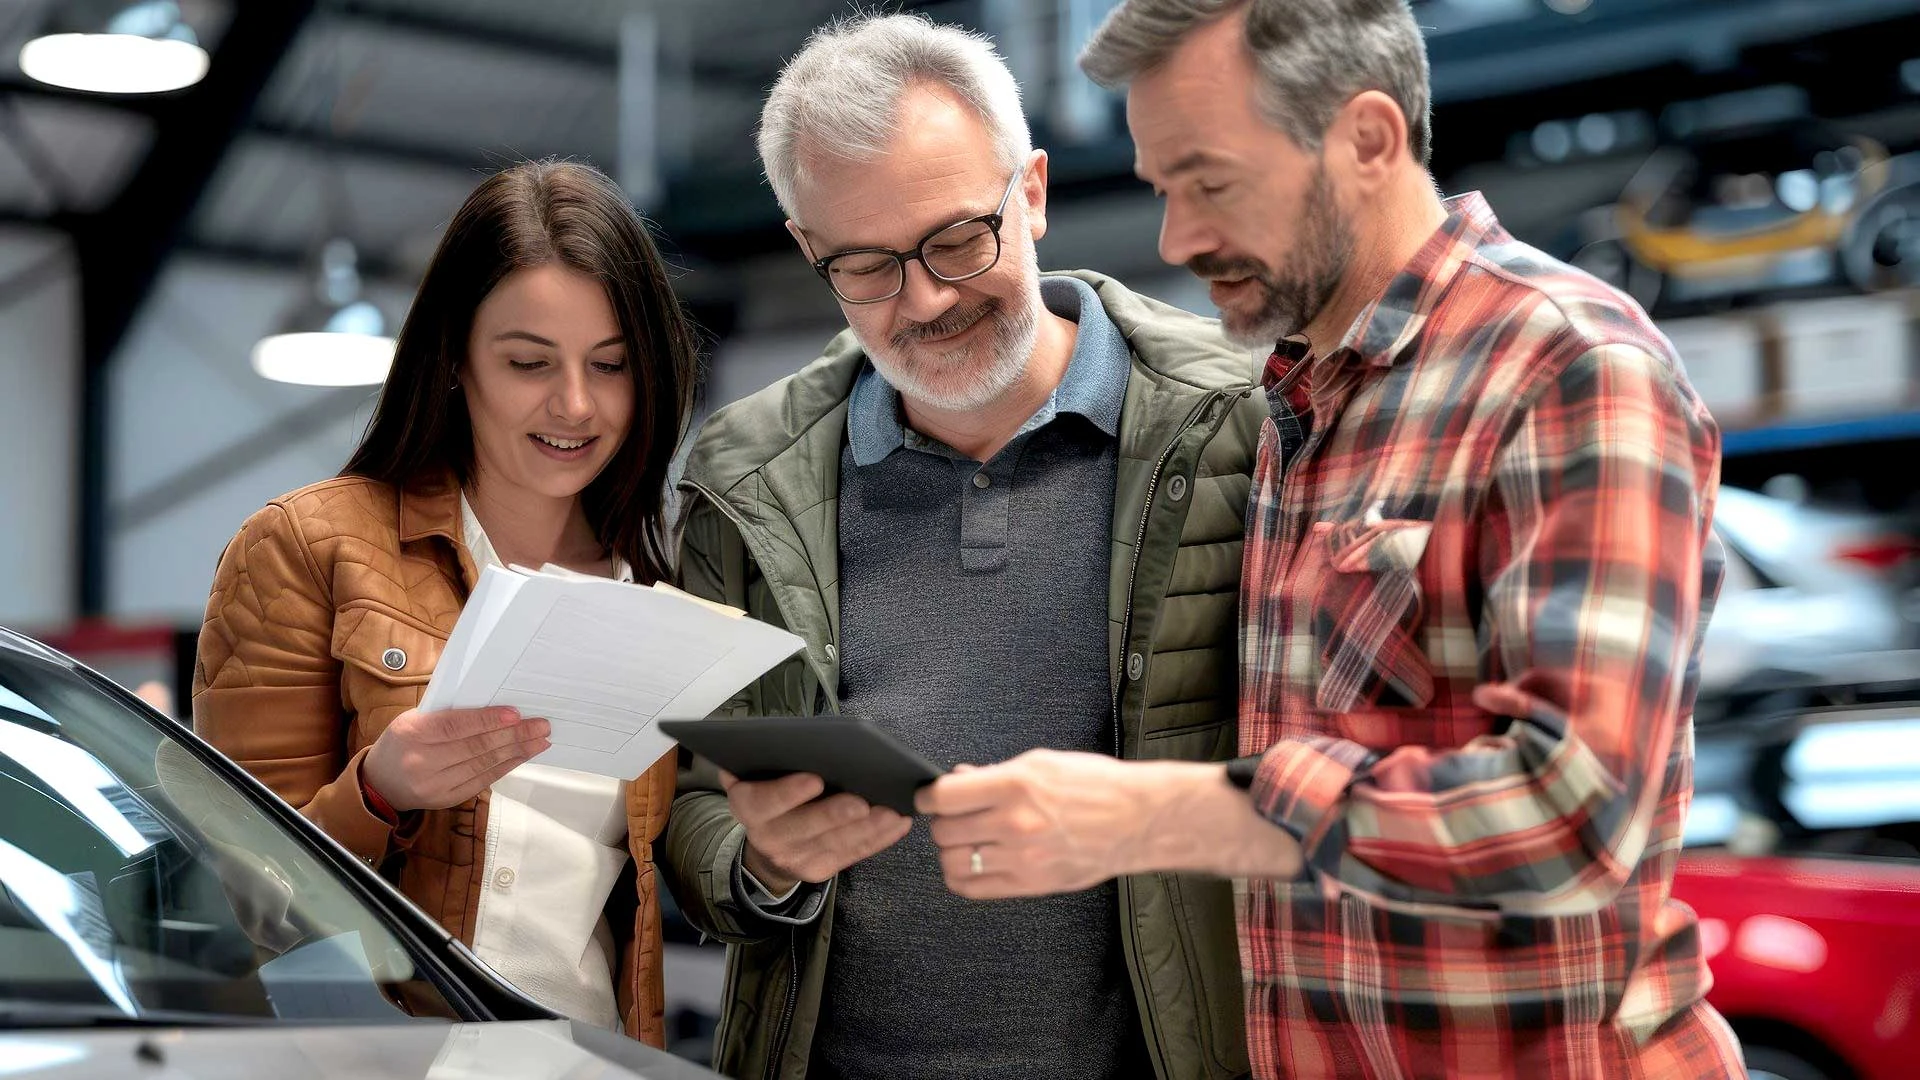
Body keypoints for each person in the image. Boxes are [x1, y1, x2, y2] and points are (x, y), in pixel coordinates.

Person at [915, 2, 1748, 1078]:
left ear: (1366, 139)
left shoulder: (1567, 368)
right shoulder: (1301, 404)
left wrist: (1161, 816)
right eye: (1163, 189)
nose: (1177, 239)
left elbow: (1568, 818)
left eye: (1209, 183)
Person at [660, 13, 1265, 1080]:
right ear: (809, 251)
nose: (925, 299)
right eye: (866, 266)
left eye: (955, 240)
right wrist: (757, 860)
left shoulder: (1238, 426)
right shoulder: (747, 478)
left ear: (1030, 190)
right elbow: (692, 802)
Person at [193, 159, 700, 1045]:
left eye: (611, 365)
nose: (575, 404)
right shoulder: (311, 548)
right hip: (380, 1065)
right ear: (455, 360)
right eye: (528, 362)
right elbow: (231, 899)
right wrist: (380, 792)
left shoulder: (660, 587)